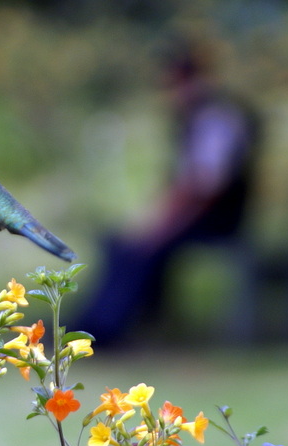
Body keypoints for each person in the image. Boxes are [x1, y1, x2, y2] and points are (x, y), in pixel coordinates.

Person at [70, 49, 262, 346]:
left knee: (142, 251)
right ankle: (95, 325)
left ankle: (108, 332)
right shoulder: (194, 120)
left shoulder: (217, 120)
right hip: (193, 217)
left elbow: (203, 189)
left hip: (217, 221)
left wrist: (161, 228)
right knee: (120, 245)